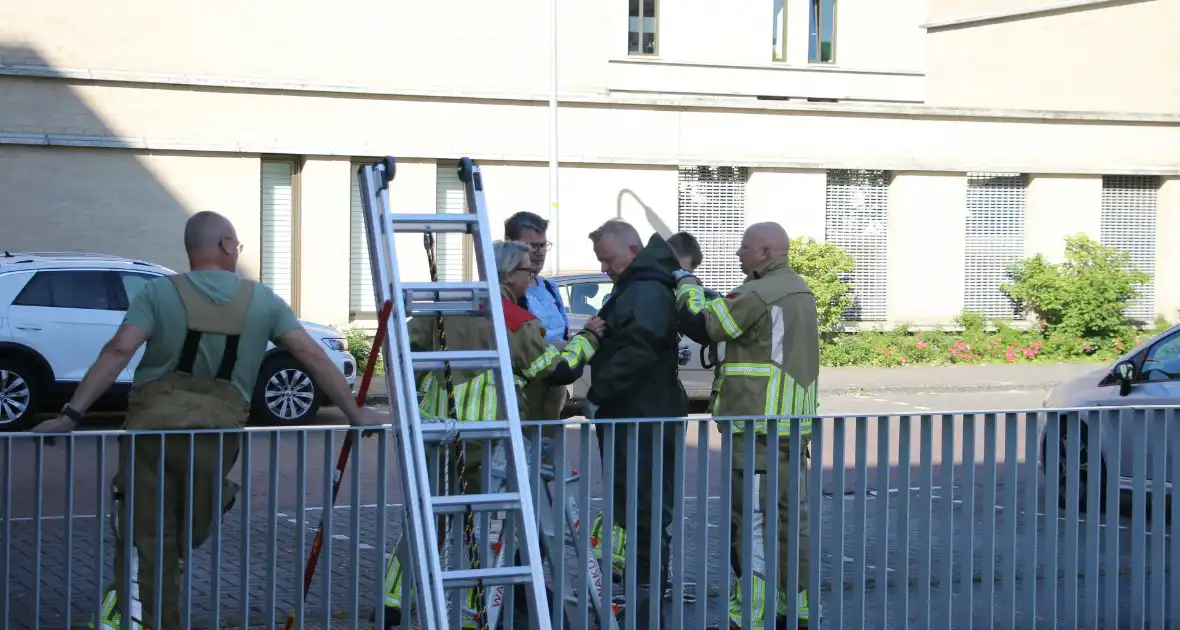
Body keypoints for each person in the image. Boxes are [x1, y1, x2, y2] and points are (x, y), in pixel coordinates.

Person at [29, 211, 384, 630]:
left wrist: (70, 415)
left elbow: (118, 351)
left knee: (148, 540)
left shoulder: (158, 294)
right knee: (181, 538)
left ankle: (143, 615)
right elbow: (311, 355)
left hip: (151, 434)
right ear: (227, 245)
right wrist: (353, 411)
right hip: (216, 437)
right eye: (238, 245)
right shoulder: (262, 301)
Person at [377, 240, 605, 629]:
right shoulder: (516, 320)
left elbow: (405, 350)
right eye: (526, 273)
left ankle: (392, 601)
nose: (530, 280)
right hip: (489, 442)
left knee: (429, 519)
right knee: (488, 531)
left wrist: (415, 403)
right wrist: (590, 337)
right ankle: (471, 614)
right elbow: (558, 370)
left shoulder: (446, 308)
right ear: (507, 274)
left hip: (437, 434)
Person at [673, 222, 818, 629]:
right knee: (793, 522)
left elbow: (706, 325)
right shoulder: (799, 290)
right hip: (792, 427)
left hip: (756, 430)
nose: (738, 254)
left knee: (752, 522)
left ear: (766, 252)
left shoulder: (758, 293)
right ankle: (798, 607)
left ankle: (751, 612)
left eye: (745, 247)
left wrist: (686, 282)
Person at [583, 219, 688, 626]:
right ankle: (644, 596)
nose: (605, 269)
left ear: (631, 250)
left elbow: (639, 345)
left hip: (641, 418)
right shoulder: (639, 284)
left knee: (644, 510)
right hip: (638, 416)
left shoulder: (644, 288)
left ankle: (647, 601)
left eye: (608, 260)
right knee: (637, 508)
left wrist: (598, 393)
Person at [504, 211, 572, 432]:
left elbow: (561, 334)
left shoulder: (550, 288)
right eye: (531, 246)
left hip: (554, 389)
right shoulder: (504, 291)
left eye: (543, 245)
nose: (539, 252)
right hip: (522, 393)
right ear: (510, 245)